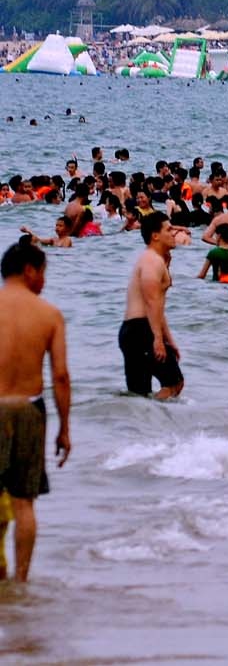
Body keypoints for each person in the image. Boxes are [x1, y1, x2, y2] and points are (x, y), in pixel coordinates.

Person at [0, 237, 70, 583]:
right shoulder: (49, 314)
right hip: (28, 409)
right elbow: (60, 375)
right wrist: (65, 428)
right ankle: (21, 580)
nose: (44, 280)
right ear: (29, 271)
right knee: (24, 502)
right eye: (43, 272)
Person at [120, 213, 184, 399]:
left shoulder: (156, 260)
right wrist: (158, 339)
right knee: (174, 383)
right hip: (141, 330)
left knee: (139, 394)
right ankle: (161, 423)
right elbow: (151, 301)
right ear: (155, 236)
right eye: (169, 229)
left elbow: (157, 305)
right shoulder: (152, 260)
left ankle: (142, 424)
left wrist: (168, 339)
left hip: (133, 331)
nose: (174, 233)